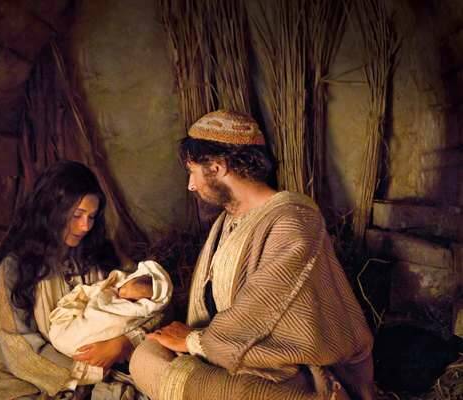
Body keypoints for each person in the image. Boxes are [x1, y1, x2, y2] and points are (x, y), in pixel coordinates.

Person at [129, 110, 375, 400]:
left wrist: (194, 341)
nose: (191, 185)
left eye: (193, 172)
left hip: (284, 369)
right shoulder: (227, 220)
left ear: (218, 167)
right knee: (147, 355)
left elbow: (263, 312)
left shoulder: (292, 221)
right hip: (227, 353)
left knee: (247, 392)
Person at [0, 160, 149, 400]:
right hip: (46, 368)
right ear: (51, 210)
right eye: (77, 215)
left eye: (91, 217)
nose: (85, 226)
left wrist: (121, 343)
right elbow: (17, 343)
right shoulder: (17, 266)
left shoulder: (104, 255)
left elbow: (153, 304)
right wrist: (81, 375)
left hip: (111, 361)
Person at [48, 260, 172, 389]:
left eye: (131, 300)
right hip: (68, 340)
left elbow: (155, 318)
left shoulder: (143, 308)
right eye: (123, 289)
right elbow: (93, 294)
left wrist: (122, 343)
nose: (122, 295)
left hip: (108, 353)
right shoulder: (112, 287)